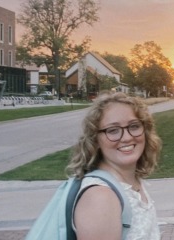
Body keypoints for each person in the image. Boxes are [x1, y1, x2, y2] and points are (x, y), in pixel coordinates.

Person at [66, 91, 162, 240]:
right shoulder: (100, 198)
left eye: (134, 126)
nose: (127, 137)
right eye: (113, 130)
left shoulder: (130, 182)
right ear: (95, 140)